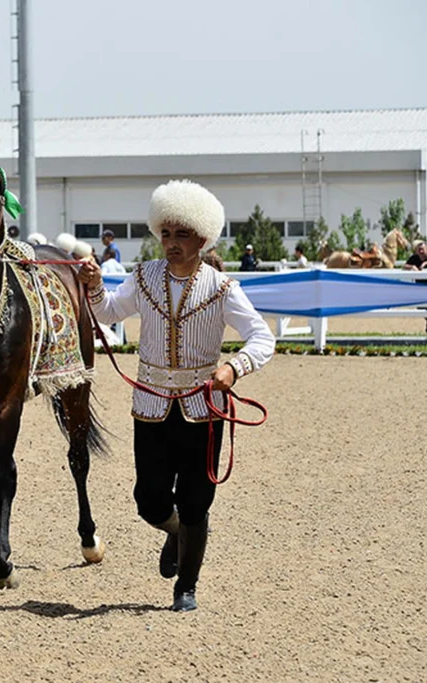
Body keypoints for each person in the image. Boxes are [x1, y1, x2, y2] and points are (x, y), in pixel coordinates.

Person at [77, 179, 275, 613]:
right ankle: (175, 533)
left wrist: (233, 367)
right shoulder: (144, 277)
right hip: (150, 404)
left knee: (196, 500)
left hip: (204, 408)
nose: (171, 243)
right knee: (148, 500)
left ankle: (186, 586)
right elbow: (109, 312)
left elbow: (262, 338)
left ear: (202, 239)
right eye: (165, 234)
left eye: (181, 234)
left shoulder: (223, 288)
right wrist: (93, 286)